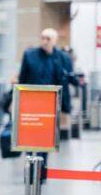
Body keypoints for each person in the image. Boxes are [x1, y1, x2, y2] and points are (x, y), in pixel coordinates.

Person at [18, 28, 71, 166]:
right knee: (31, 138)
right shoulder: (30, 55)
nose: (45, 41)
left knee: (46, 139)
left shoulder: (61, 57)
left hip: (51, 104)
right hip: (31, 103)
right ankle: (31, 166)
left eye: (48, 39)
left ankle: (42, 169)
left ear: (55, 40)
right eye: (42, 38)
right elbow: (22, 79)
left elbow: (67, 78)